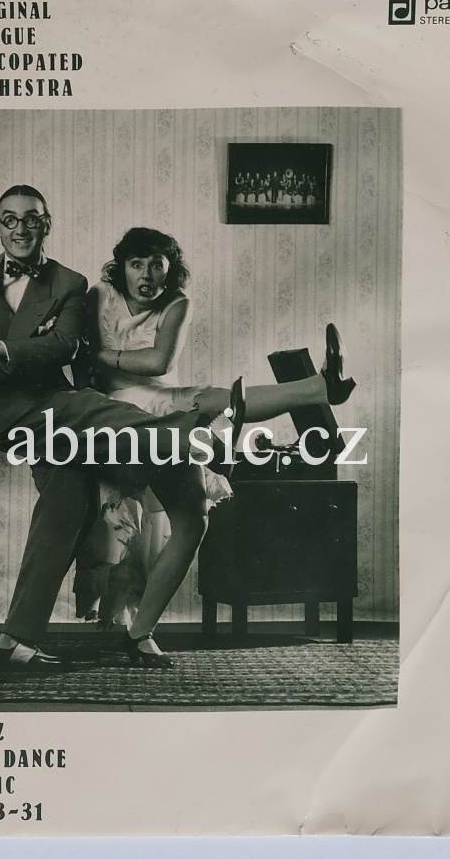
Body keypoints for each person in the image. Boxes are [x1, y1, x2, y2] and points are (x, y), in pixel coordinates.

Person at [0, 187, 353, 672]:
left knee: (70, 510)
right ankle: (201, 434)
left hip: (74, 411)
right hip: (23, 412)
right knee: (119, 417)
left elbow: (64, 347)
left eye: (32, 219)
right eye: (9, 219)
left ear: (47, 224)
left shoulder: (69, 283)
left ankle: (18, 641)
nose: (20, 229)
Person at [72, 227, 356, 665]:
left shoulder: (177, 303)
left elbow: (159, 362)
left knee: (193, 520)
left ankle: (140, 634)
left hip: (167, 409)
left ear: (170, 269)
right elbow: (82, 360)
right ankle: (305, 394)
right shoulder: (100, 296)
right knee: (123, 522)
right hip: (116, 415)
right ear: (121, 268)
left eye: (156, 265)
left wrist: (102, 355)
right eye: (136, 264)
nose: (146, 274)